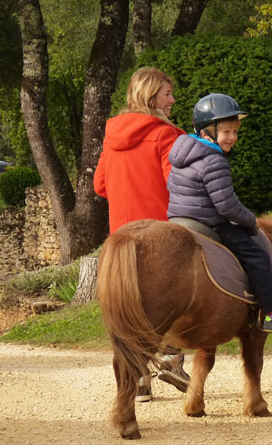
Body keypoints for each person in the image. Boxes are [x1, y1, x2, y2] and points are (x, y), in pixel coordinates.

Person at [166, 93, 272, 335]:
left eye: (235, 132)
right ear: (206, 132)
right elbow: (226, 206)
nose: (233, 138)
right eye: (226, 132)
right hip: (207, 222)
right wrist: (250, 221)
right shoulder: (214, 159)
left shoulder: (183, 154)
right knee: (256, 255)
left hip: (178, 218)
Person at [94, 67, 191, 402]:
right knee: (179, 297)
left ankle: (138, 380)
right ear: (151, 97)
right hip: (161, 233)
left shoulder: (111, 135)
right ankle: (170, 360)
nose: (173, 100)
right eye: (167, 93)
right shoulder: (168, 135)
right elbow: (178, 185)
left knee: (129, 308)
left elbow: (100, 185)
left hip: (120, 237)